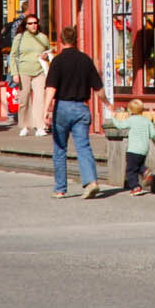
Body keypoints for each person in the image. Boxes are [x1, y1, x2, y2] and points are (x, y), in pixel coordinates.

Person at [41, 25, 102, 198]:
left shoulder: (58, 61)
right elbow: (98, 87)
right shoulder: (85, 60)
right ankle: (91, 182)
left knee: (60, 148)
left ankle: (60, 189)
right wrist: (107, 103)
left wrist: (45, 110)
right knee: (83, 146)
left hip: (62, 107)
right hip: (81, 107)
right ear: (76, 40)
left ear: (61, 41)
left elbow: (51, 88)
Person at [0, 13, 51, 136]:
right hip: (23, 71)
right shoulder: (20, 37)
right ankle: (24, 126)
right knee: (24, 99)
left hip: (39, 71)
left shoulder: (43, 37)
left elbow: (49, 52)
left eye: (35, 23)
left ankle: (40, 126)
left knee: (40, 99)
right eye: (30, 23)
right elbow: (12, 56)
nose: (33, 25)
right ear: (26, 25)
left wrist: (46, 56)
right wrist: (14, 73)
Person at [107, 97, 155, 195]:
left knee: (130, 170)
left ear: (130, 110)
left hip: (133, 149)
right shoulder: (147, 121)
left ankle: (136, 187)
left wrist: (113, 118)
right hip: (144, 149)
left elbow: (120, 126)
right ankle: (145, 171)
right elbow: (154, 134)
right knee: (138, 165)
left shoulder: (131, 120)